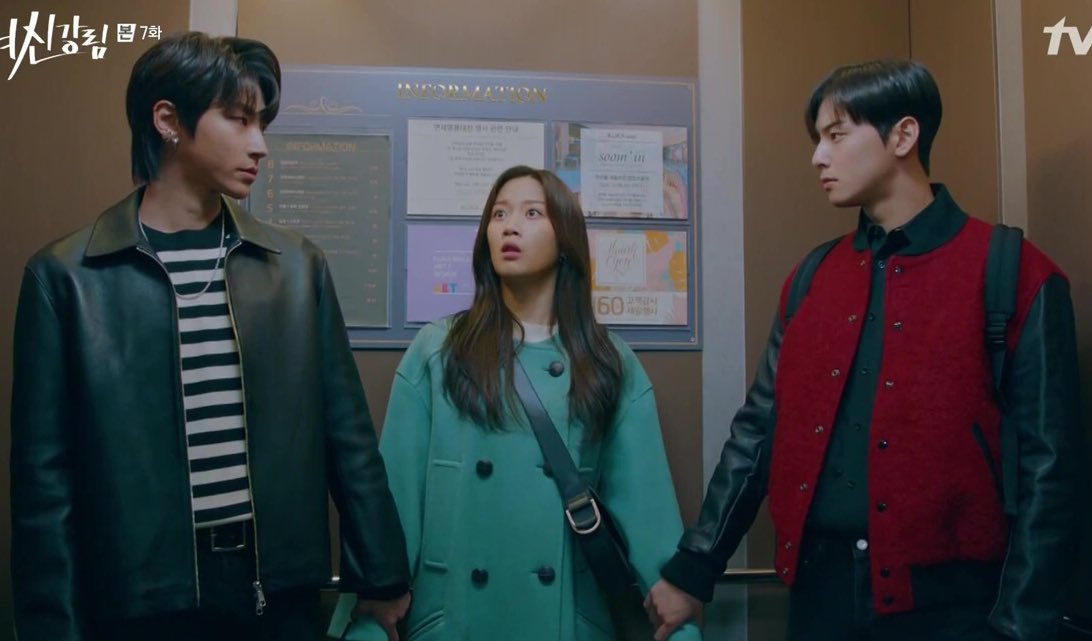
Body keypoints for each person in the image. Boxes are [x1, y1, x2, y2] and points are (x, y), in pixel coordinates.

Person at [645, 59, 1084, 641]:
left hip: (957, 612)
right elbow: (757, 434)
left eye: (836, 135)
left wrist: (1023, 624)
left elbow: (1051, 471)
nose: (817, 157)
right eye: (817, 139)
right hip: (818, 599)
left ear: (903, 135)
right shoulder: (813, 277)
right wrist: (694, 568)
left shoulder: (1014, 273)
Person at [10, 32, 411, 641]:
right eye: (239, 119)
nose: (260, 144)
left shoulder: (295, 268)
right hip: (140, 603)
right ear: (168, 120)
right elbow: (44, 486)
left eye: (262, 123)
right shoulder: (67, 279)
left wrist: (382, 576)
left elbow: (347, 435)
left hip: (275, 596)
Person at [330, 165, 702, 641]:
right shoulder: (439, 351)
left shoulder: (606, 361)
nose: (509, 226)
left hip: (568, 623)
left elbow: (646, 508)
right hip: (453, 619)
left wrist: (677, 612)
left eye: (532, 213)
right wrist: (370, 607)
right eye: (499, 214)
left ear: (565, 238)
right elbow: (395, 497)